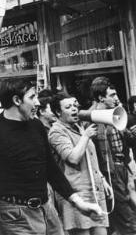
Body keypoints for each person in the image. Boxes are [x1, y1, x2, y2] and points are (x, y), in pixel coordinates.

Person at [0, 79, 103, 235]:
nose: (37, 103)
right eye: (32, 97)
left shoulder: (36, 126)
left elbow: (51, 169)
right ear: (16, 100)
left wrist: (78, 201)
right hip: (13, 216)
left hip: (47, 210)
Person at [48, 92, 110, 235]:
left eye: (75, 105)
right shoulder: (56, 132)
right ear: (58, 112)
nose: (74, 109)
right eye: (68, 107)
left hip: (94, 191)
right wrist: (86, 136)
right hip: (76, 195)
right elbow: (73, 157)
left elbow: (89, 157)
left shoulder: (79, 127)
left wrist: (102, 179)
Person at [89, 76, 136, 234]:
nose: (117, 98)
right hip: (110, 171)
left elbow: (128, 142)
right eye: (112, 95)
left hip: (122, 167)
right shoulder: (93, 119)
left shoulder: (115, 113)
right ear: (101, 97)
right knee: (126, 215)